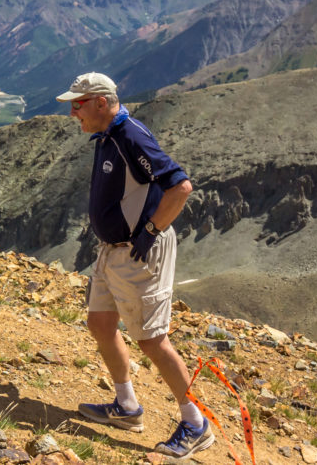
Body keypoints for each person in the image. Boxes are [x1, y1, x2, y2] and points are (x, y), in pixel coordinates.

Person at [57, 72, 213, 460]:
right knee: (100, 323)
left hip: (138, 254)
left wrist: (149, 231)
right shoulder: (109, 136)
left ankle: (196, 423)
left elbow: (181, 186)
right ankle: (127, 408)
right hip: (115, 251)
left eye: (78, 104)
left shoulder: (130, 137)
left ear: (99, 102)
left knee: (152, 340)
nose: (73, 112)